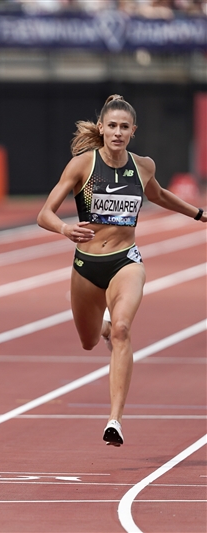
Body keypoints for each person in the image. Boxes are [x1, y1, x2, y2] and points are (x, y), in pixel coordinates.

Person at [37, 94, 206, 446]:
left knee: (124, 330)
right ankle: (104, 327)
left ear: (133, 131)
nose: (117, 132)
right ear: (102, 128)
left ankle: (114, 420)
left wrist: (199, 214)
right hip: (86, 266)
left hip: (125, 260)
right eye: (111, 126)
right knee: (88, 341)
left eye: (124, 127)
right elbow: (45, 214)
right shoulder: (82, 166)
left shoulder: (143, 165)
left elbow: (158, 195)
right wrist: (66, 229)